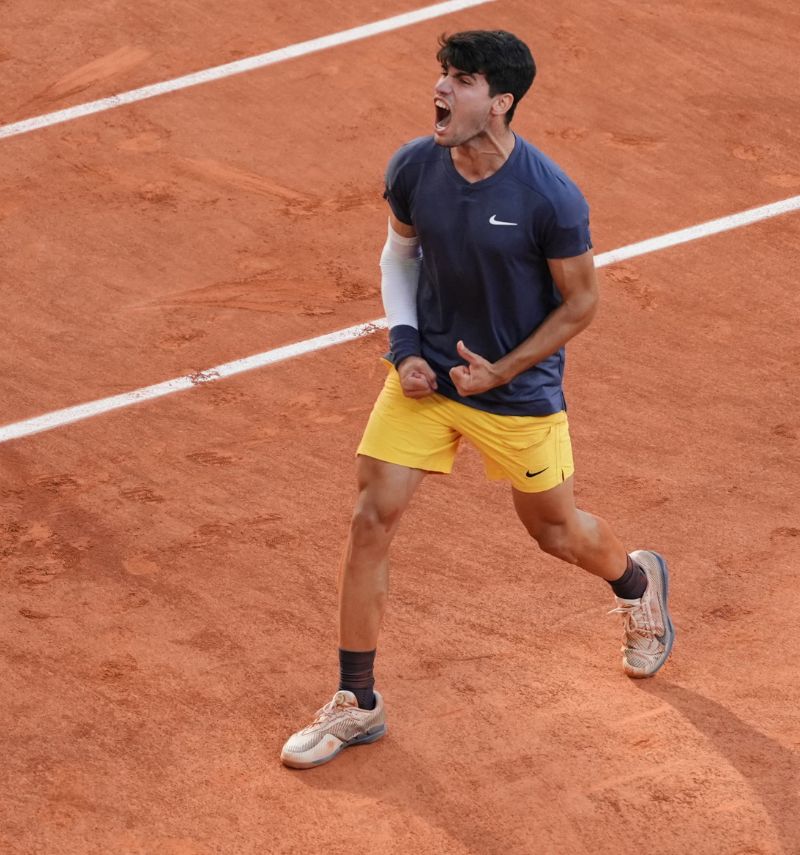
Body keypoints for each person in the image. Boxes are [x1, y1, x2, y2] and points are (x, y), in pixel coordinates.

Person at [280, 30, 675, 770]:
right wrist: (404, 351)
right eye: (442, 74)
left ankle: (635, 580)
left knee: (555, 533)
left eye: (460, 80)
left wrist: (502, 371)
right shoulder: (413, 166)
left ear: (500, 101)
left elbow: (581, 302)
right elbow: (398, 252)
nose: (441, 89)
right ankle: (356, 700)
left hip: (518, 394)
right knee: (370, 516)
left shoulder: (549, 197)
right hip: (427, 378)